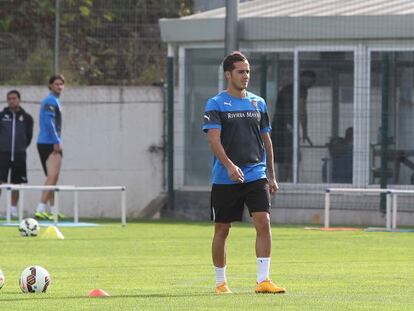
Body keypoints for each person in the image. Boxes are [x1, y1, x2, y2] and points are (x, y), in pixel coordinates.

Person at [202, 51, 285, 294]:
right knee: (223, 229)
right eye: (241, 71)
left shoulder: (258, 102)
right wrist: (229, 166)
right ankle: (220, 282)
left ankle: (263, 280)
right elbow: (213, 141)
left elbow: (266, 140)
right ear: (228, 74)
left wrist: (271, 174)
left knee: (263, 221)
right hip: (225, 177)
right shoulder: (216, 104)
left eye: (248, 71)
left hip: (255, 173)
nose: (245, 76)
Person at [271, 70, 316, 182]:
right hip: (286, 126)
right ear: (303, 79)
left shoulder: (287, 88)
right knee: (289, 158)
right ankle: (289, 182)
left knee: (283, 159)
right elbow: (301, 110)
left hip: (278, 126)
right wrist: (304, 131)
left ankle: (283, 182)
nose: (310, 84)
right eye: (310, 81)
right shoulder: (301, 89)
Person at [35, 74, 65, 220]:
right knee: (53, 176)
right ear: (50, 85)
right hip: (49, 142)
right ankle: (40, 208)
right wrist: (56, 140)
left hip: (46, 142)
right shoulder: (50, 100)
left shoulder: (55, 101)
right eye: (56, 84)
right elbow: (49, 122)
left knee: (53, 178)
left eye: (61, 84)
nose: (59, 86)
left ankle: (53, 210)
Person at [0, 90, 34, 217]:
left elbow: (29, 137)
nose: (11, 101)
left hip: (19, 154)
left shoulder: (27, 118)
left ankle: (13, 210)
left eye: (14, 98)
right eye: (9, 98)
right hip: (2, 154)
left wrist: (20, 147)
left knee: (17, 183)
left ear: (19, 100)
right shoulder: (1, 116)